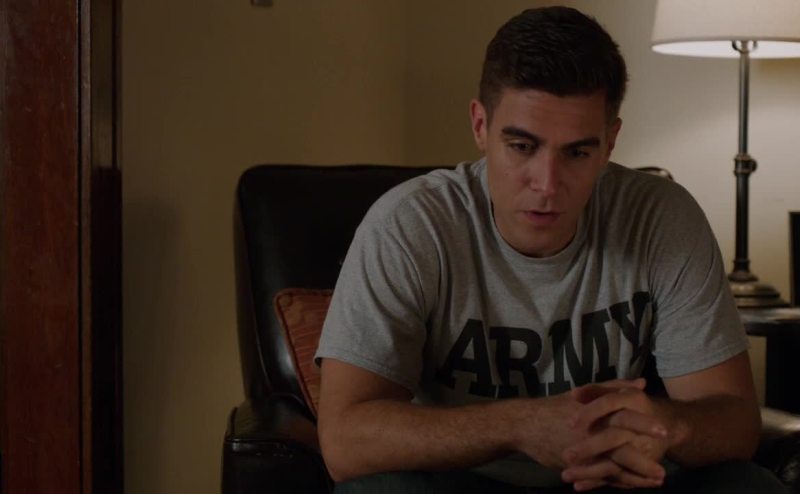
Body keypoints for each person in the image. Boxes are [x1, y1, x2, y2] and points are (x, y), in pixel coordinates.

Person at [314, 6, 785, 493]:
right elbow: (345, 441)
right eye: (522, 146)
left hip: (616, 478)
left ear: (610, 142)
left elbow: (736, 422)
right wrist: (520, 425)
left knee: (748, 485)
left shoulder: (661, 218)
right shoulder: (411, 225)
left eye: (577, 152)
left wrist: (664, 427)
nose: (547, 184)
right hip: (459, 481)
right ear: (480, 125)